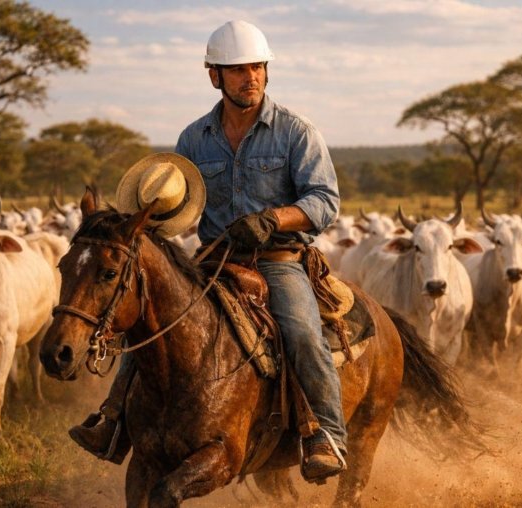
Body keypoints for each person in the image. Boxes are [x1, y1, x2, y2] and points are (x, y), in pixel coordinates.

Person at [69, 19, 347, 482]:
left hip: (278, 261)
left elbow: (325, 200)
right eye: (237, 70)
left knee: (301, 332)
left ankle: (327, 436)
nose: (250, 77)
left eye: (257, 67)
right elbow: (176, 208)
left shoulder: (296, 132)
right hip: (213, 260)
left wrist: (273, 219)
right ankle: (113, 421)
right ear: (215, 76)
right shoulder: (193, 139)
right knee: (147, 322)